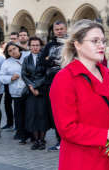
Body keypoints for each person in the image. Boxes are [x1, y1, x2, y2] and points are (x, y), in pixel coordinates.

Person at [49, 19, 109, 170]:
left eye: (103, 41)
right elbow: (67, 128)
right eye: (95, 41)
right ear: (77, 44)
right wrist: (107, 135)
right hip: (82, 160)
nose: (102, 45)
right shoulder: (65, 78)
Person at [41, 20, 67, 151]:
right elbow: (41, 61)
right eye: (57, 29)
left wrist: (49, 60)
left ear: (65, 29)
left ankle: (68, 140)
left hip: (67, 83)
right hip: (51, 84)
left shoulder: (71, 44)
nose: (59, 31)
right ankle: (59, 140)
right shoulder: (49, 45)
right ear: (54, 31)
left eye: (61, 28)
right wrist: (52, 60)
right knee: (55, 114)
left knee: (67, 113)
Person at [22, 37, 50, 150]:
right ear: (29, 46)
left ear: (40, 46)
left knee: (42, 115)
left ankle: (42, 140)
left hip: (42, 91)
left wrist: (37, 86)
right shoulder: (26, 59)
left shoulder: (44, 58)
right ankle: (36, 140)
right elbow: (24, 74)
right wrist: (31, 86)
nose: (35, 47)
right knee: (32, 115)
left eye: (37, 45)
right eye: (33, 45)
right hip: (30, 92)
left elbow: (46, 74)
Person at [0, 42, 30, 144]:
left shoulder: (28, 55)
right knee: (19, 114)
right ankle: (21, 133)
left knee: (30, 113)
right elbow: (1, 76)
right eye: (10, 51)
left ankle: (32, 133)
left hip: (30, 90)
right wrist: (11, 78)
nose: (13, 52)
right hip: (17, 92)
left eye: (14, 49)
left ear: (18, 48)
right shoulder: (7, 62)